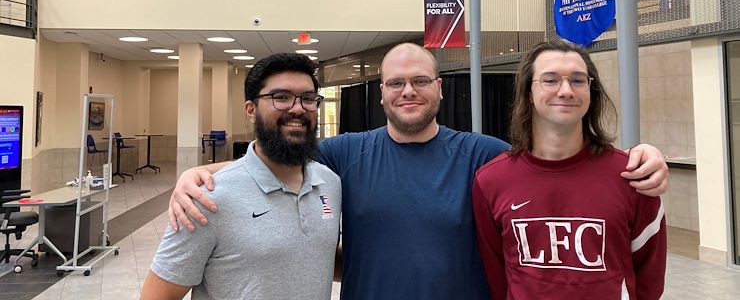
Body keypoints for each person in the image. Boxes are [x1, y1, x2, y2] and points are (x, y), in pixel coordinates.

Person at [168, 43, 669, 300]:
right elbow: (275, 158)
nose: (408, 91)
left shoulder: (484, 156)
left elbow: (555, 161)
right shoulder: (344, 155)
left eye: (420, 81)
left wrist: (639, 157)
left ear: (440, 88)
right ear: (381, 93)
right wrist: (199, 173)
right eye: (396, 83)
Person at [472, 39, 666, 299]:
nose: (566, 90)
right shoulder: (491, 180)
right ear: (528, 93)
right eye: (550, 80)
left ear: (590, 90)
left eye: (578, 80)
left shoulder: (633, 176)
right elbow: (496, 277)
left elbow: (649, 280)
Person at [140, 53, 341, 300]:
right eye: (281, 97)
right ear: (251, 110)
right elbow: (159, 295)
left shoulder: (329, 183)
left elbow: (318, 259)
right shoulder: (207, 198)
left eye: (308, 98)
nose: (298, 108)